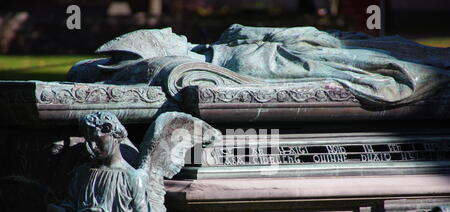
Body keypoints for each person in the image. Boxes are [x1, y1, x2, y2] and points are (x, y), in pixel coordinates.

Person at [69, 24, 449, 106]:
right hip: (292, 55)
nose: (172, 29)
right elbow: (309, 38)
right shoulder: (235, 50)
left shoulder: (219, 50)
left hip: (295, 52)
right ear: (154, 45)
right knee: (396, 56)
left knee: (393, 50)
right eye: (162, 32)